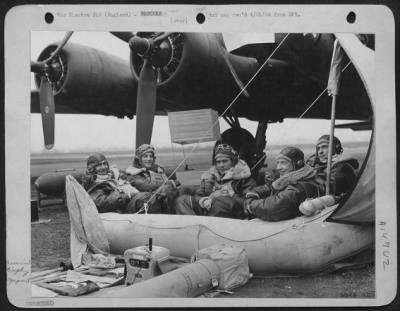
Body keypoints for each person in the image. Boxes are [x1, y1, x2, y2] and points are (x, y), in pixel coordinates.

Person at [174, 144, 255, 218]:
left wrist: (232, 194)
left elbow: (248, 204)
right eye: (218, 162)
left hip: (229, 211)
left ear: (233, 162)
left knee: (221, 202)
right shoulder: (208, 177)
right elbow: (198, 195)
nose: (221, 165)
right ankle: (195, 225)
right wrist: (207, 199)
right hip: (207, 207)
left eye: (225, 161)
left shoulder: (245, 179)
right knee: (181, 200)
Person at [244, 146, 323, 221]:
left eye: (283, 163)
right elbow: (268, 188)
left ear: (298, 164)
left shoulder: (300, 187)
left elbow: (272, 208)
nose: (278, 167)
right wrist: (252, 194)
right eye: (278, 163)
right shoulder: (288, 179)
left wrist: (250, 205)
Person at [82, 152, 162, 214]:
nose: (103, 167)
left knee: (163, 192)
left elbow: (128, 178)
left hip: (132, 198)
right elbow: (101, 202)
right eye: (99, 165)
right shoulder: (93, 183)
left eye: (105, 164)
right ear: (92, 168)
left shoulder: (113, 175)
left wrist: (134, 172)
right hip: (123, 207)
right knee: (145, 197)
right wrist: (127, 195)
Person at [124, 144, 179, 214]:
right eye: (145, 156)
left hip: (161, 200)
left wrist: (162, 171)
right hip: (146, 205)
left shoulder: (156, 169)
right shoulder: (132, 173)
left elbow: (173, 175)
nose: (149, 159)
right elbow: (147, 186)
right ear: (138, 159)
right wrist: (171, 183)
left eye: (151, 156)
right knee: (169, 187)